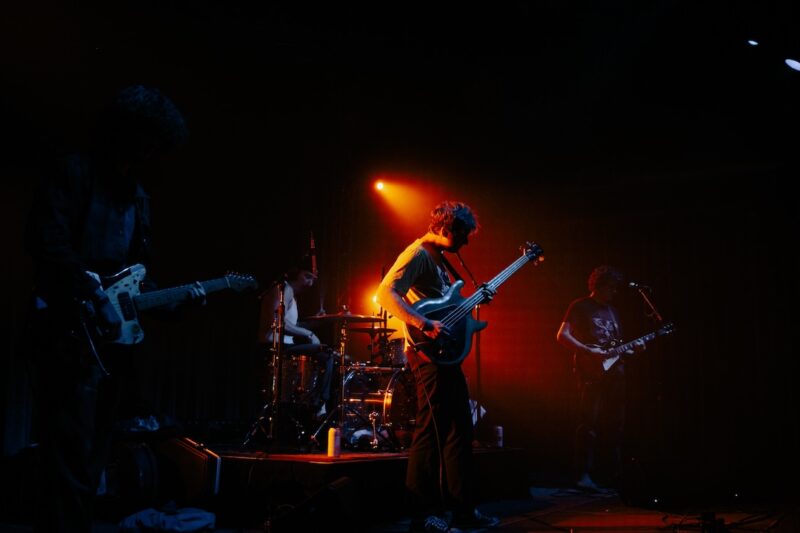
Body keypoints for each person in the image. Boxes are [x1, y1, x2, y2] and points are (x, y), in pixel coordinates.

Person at [24, 85, 201, 533]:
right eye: (146, 139)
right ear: (126, 130)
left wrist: (175, 302)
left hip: (111, 347)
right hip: (66, 329)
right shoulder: (74, 171)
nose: (149, 151)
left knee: (94, 452)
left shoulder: (138, 196)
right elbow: (47, 240)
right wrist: (90, 291)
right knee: (66, 448)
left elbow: (137, 280)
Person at [376, 200, 500, 533]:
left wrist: (475, 300)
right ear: (445, 228)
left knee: (460, 431)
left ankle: (463, 511)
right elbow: (385, 293)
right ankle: (423, 516)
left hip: (446, 356)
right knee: (429, 433)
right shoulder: (416, 254)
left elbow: (447, 306)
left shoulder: (438, 257)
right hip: (427, 355)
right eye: (463, 234)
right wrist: (423, 323)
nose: (466, 241)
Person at [556, 265, 645, 492]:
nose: (614, 292)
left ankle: (612, 475)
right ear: (599, 285)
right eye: (611, 288)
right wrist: (588, 351)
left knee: (615, 425)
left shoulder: (613, 312)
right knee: (588, 424)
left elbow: (617, 347)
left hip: (616, 374)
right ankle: (582, 475)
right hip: (590, 371)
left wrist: (635, 349)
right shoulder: (580, 306)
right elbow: (562, 336)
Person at [256, 261, 334, 420]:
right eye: (307, 277)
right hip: (274, 346)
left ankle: (314, 400)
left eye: (312, 279)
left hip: (284, 345)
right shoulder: (283, 289)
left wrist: (319, 321)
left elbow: (293, 325)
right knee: (326, 354)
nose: (310, 283)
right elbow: (278, 322)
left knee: (325, 353)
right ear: (295, 274)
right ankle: (320, 403)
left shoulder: (289, 292)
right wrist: (309, 334)